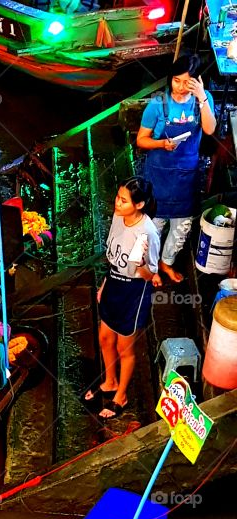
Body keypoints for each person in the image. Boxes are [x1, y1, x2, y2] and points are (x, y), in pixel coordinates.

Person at [84, 178, 161, 422]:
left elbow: (150, 275)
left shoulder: (148, 233)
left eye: (124, 200)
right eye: (118, 197)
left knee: (123, 348)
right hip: (114, 284)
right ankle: (110, 381)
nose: (117, 203)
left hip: (133, 292)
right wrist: (105, 284)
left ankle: (121, 396)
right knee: (104, 338)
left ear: (139, 205)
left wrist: (141, 264)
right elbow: (114, 259)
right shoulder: (119, 217)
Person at [136, 54, 216, 285]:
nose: (180, 87)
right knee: (155, 225)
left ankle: (166, 263)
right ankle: (151, 266)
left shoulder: (203, 100)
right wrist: (162, 143)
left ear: (197, 81)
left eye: (186, 82)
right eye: (176, 81)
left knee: (182, 226)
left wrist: (202, 98)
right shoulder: (157, 104)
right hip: (159, 175)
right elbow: (141, 140)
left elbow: (210, 129)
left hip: (186, 175)